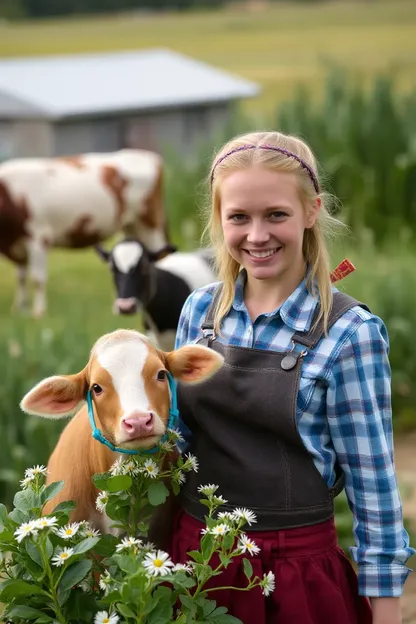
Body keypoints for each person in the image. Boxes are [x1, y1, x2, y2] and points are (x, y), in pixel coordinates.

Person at [170, 130, 414, 624]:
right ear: (219, 219)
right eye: (239, 216)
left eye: (275, 214)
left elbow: (374, 490)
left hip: (295, 576)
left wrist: (386, 612)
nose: (256, 235)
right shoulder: (199, 312)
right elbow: (179, 439)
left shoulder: (349, 334)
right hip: (193, 566)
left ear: (311, 211)